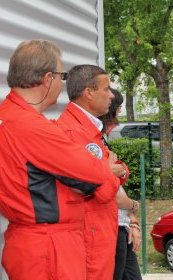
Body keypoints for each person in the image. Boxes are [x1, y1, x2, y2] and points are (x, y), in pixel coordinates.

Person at [0, 40, 119, 279]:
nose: (61, 83)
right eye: (61, 75)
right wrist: (108, 168)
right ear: (47, 78)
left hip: (29, 242)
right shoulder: (32, 127)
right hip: (50, 247)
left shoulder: (7, 116)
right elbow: (96, 175)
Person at [57, 65, 123, 280]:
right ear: (88, 92)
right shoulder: (72, 131)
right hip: (90, 232)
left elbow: (120, 169)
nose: (111, 96)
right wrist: (109, 171)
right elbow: (100, 189)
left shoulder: (88, 128)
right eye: (107, 89)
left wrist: (112, 170)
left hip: (99, 230)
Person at [99, 88, 143, 280]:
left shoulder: (104, 140)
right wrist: (134, 205)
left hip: (122, 225)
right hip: (111, 228)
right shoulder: (96, 143)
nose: (119, 113)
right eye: (118, 107)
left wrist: (132, 221)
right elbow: (114, 192)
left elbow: (117, 185)